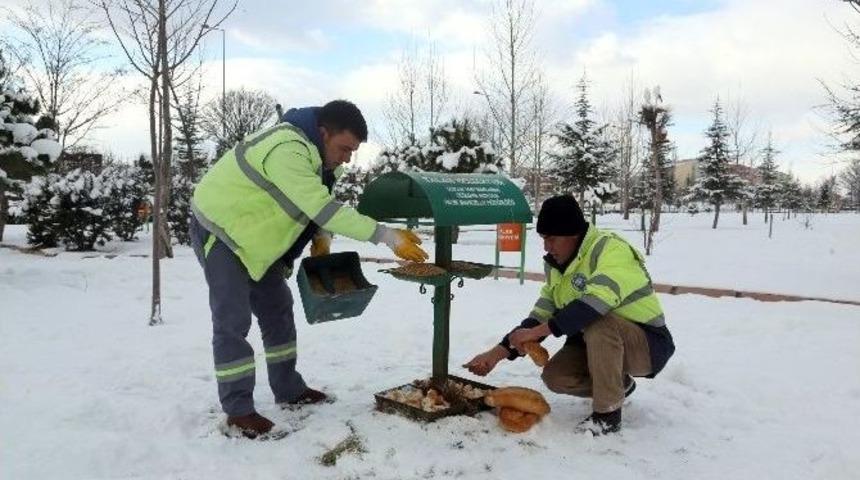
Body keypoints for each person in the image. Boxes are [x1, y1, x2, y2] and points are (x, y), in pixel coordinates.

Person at [189, 99, 429, 438]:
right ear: (323, 133)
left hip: (257, 242)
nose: (347, 157)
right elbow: (318, 204)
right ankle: (238, 411)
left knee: (278, 311)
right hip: (222, 231)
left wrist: (322, 237)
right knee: (233, 319)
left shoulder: (323, 163)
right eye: (344, 148)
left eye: (353, 151)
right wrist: (386, 235)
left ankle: (288, 390)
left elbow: (317, 205)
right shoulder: (287, 148)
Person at [464, 195, 675, 435]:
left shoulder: (611, 250)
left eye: (552, 239)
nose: (546, 247)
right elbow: (541, 315)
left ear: (573, 234)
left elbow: (593, 304)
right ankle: (620, 385)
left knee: (599, 321)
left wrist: (537, 331)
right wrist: (496, 354)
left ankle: (607, 415)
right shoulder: (558, 265)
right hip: (593, 342)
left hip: (646, 344)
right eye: (543, 239)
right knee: (556, 376)